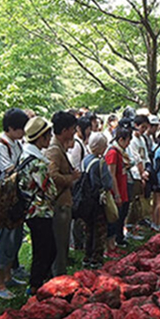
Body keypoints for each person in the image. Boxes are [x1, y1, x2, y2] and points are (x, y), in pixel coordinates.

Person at [0, 108, 30, 300]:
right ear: (11, 128)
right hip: (4, 200)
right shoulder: (0, 145)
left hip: (16, 198)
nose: (24, 132)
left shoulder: (16, 144)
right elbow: (9, 170)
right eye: (21, 128)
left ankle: (8, 276)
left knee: (15, 238)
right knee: (5, 239)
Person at [18, 117, 57, 294]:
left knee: (43, 249)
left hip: (31, 210)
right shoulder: (37, 163)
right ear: (40, 138)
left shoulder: (24, 155)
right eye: (48, 136)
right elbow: (51, 191)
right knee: (45, 251)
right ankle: (35, 286)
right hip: (40, 212)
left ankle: (38, 283)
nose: (50, 139)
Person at [47, 111, 82, 277]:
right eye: (73, 129)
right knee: (60, 244)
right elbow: (52, 176)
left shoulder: (59, 147)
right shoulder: (54, 149)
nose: (75, 132)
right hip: (59, 205)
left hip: (64, 202)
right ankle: (58, 280)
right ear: (65, 130)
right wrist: (71, 178)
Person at [81, 133, 112, 269]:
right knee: (99, 230)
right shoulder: (100, 162)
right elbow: (107, 183)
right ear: (99, 147)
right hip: (98, 201)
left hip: (86, 200)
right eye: (104, 145)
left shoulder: (85, 160)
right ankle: (97, 259)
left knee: (88, 230)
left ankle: (86, 256)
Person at [105, 123, 132, 258]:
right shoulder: (113, 153)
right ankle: (110, 246)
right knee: (114, 219)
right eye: (127, 141)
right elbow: (111, 175)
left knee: (121, 217)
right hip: (117, 191)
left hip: (123, 188)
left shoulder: (121, 153)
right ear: (121, 140)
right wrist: (116, 194)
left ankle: (116, 243)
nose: (128, 144)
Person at [69, 116, 93, 251]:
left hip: (80, 182)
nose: (90, 131)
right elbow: (75, 164)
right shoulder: (77, 145)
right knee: (77, 214)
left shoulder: (82, 143)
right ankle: (76, 242)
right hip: (78, 183)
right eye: (88, 128)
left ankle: (78, 241)